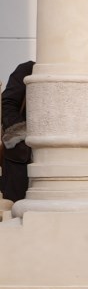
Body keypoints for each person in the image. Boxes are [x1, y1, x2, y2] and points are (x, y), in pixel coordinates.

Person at [3, 59, 31, 201]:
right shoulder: (28, 69)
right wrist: (23, 135)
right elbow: (7, 104)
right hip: (22, 154)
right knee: (17, 207)